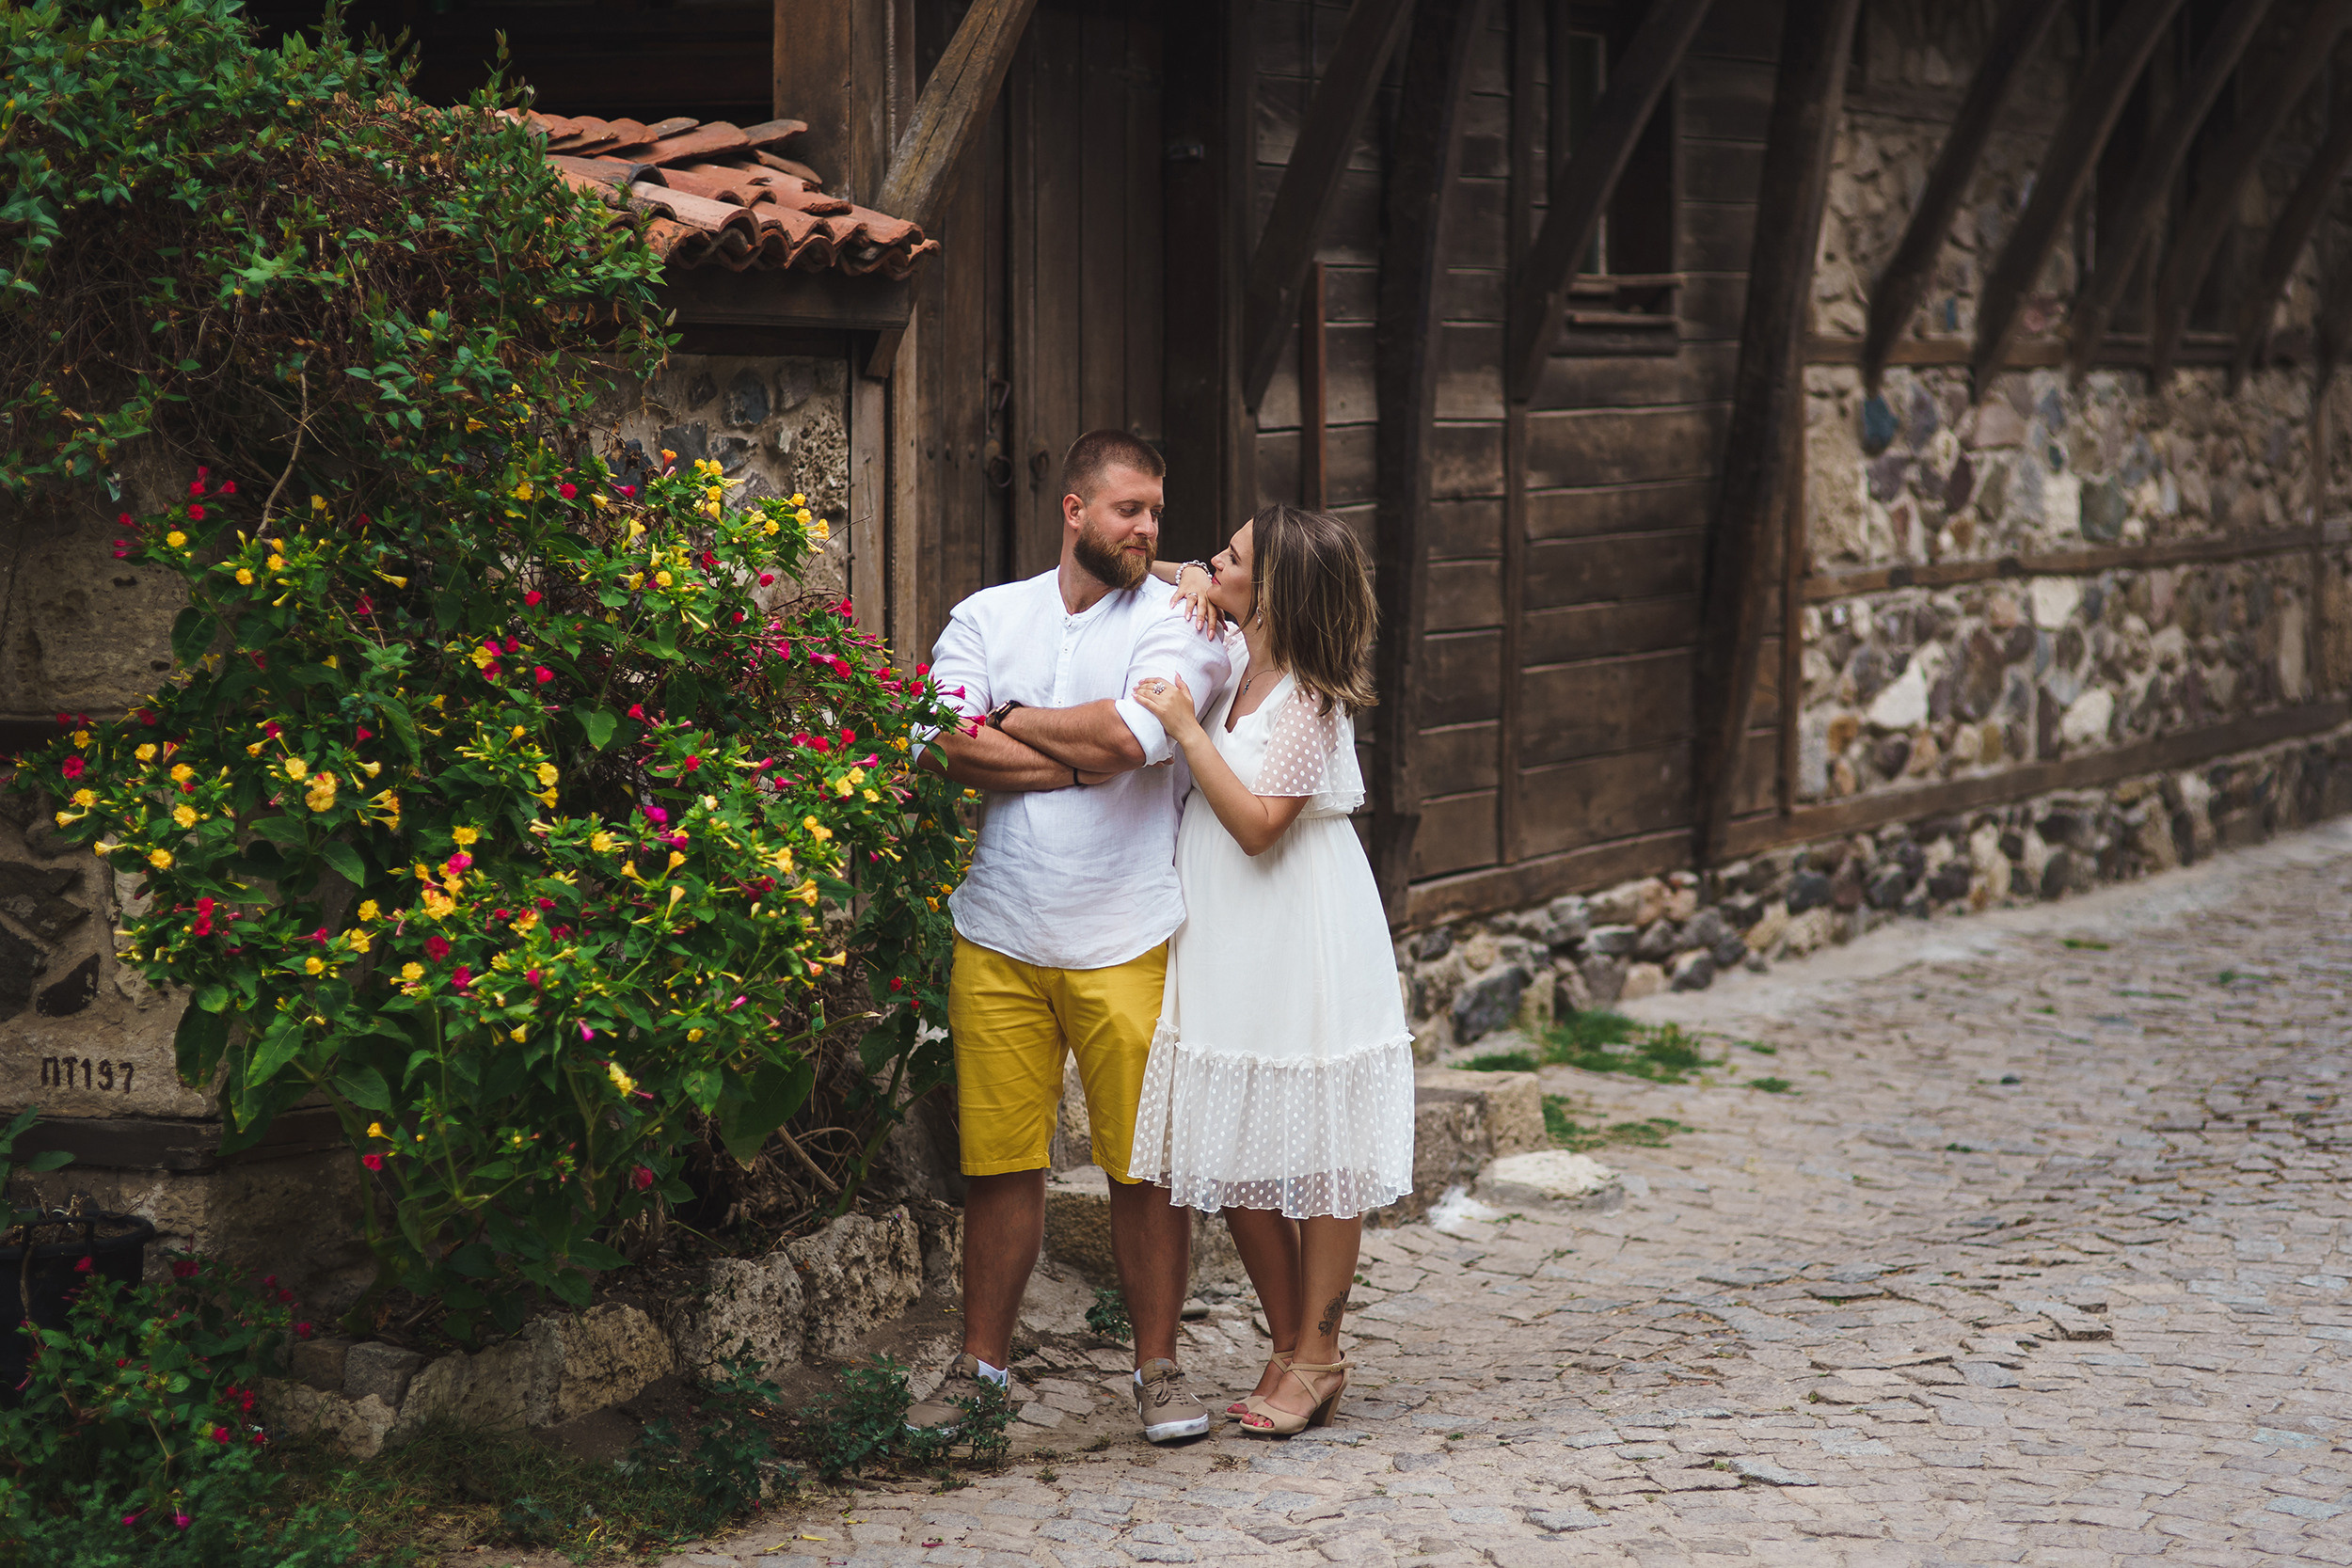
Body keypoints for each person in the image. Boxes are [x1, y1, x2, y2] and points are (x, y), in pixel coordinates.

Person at [904, 430, 1232, 1446]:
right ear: (1074, 509)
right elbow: (939, 738)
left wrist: (1014, 717)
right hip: (998, 926)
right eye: (1128, 509)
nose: (1146, 530)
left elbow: (1133, 737)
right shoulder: (985, 613)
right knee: (998, 1164)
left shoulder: (1180, 620)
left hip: (1129, 928)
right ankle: (981, 1372)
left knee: (1145, 1169)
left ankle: (1159, 1368)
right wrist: (1073, 750)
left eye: (1156, 515)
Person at [1127, 504, 1414, 1437]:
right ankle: (1293, 1343)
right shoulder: (1240, 662)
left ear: (1276, 590)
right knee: (1238, 1151)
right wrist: (1194, 581)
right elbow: (1168, 569)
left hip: (1300, 931)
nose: (1211, 560)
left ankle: (1317, 1352)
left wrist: (1181, 722)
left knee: (1322, 1158)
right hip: (1225, 937)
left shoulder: (1309, 701)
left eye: (1234, 556)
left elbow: (1256, 827)